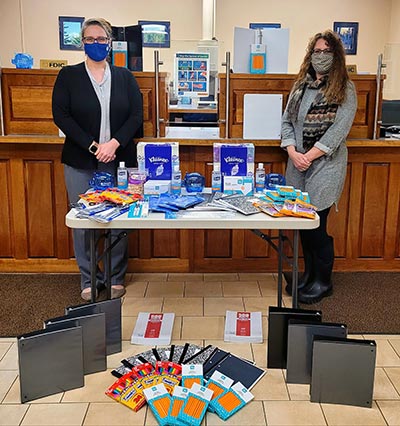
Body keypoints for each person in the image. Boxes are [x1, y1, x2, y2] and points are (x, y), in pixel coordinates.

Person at [52, 18, 143, 301]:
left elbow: (136, 116)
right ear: (82, 43)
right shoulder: (68, 76)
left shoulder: (125, 77)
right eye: (89, 39)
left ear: (110, 42)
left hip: (119, 159)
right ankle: (90, 278)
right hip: (81, 160)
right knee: (84, 221)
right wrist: (94, 147)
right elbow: (61, 115)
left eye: (101, 39)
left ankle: (115, 277)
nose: (95, 44)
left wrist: (114, 144)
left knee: (118, 220)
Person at [281, 30, 357, 304]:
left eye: (326, 52)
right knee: (302, 224)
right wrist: (292, 151)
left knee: (317, 224)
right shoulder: (301, 85)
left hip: (325, 164)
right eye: (316, 51)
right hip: (297, 164)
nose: (320, 56)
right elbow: (287, 122)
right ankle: (309, 275)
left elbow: (338, 131)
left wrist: (308, 156)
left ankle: (323, 282)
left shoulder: (345, 88)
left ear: (335, 55)